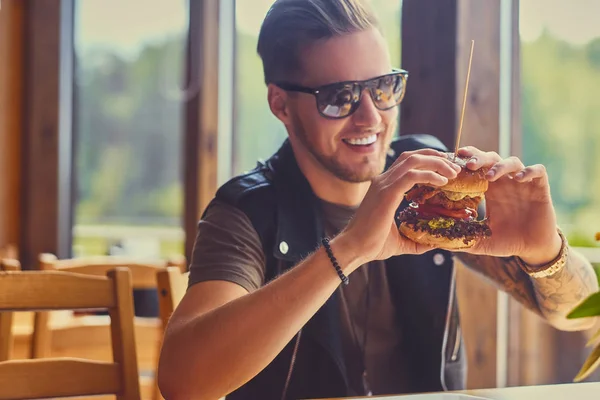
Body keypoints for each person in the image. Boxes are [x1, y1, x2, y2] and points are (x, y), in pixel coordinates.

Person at [157, 1, 599, 399]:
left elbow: (578, 317)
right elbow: (184, 382)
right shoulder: (245, 211)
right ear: (281, 105)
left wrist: (546, 254)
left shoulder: (431, 187)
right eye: (339, 97)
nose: (371, 117)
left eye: (384, 88)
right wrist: (348, 250)